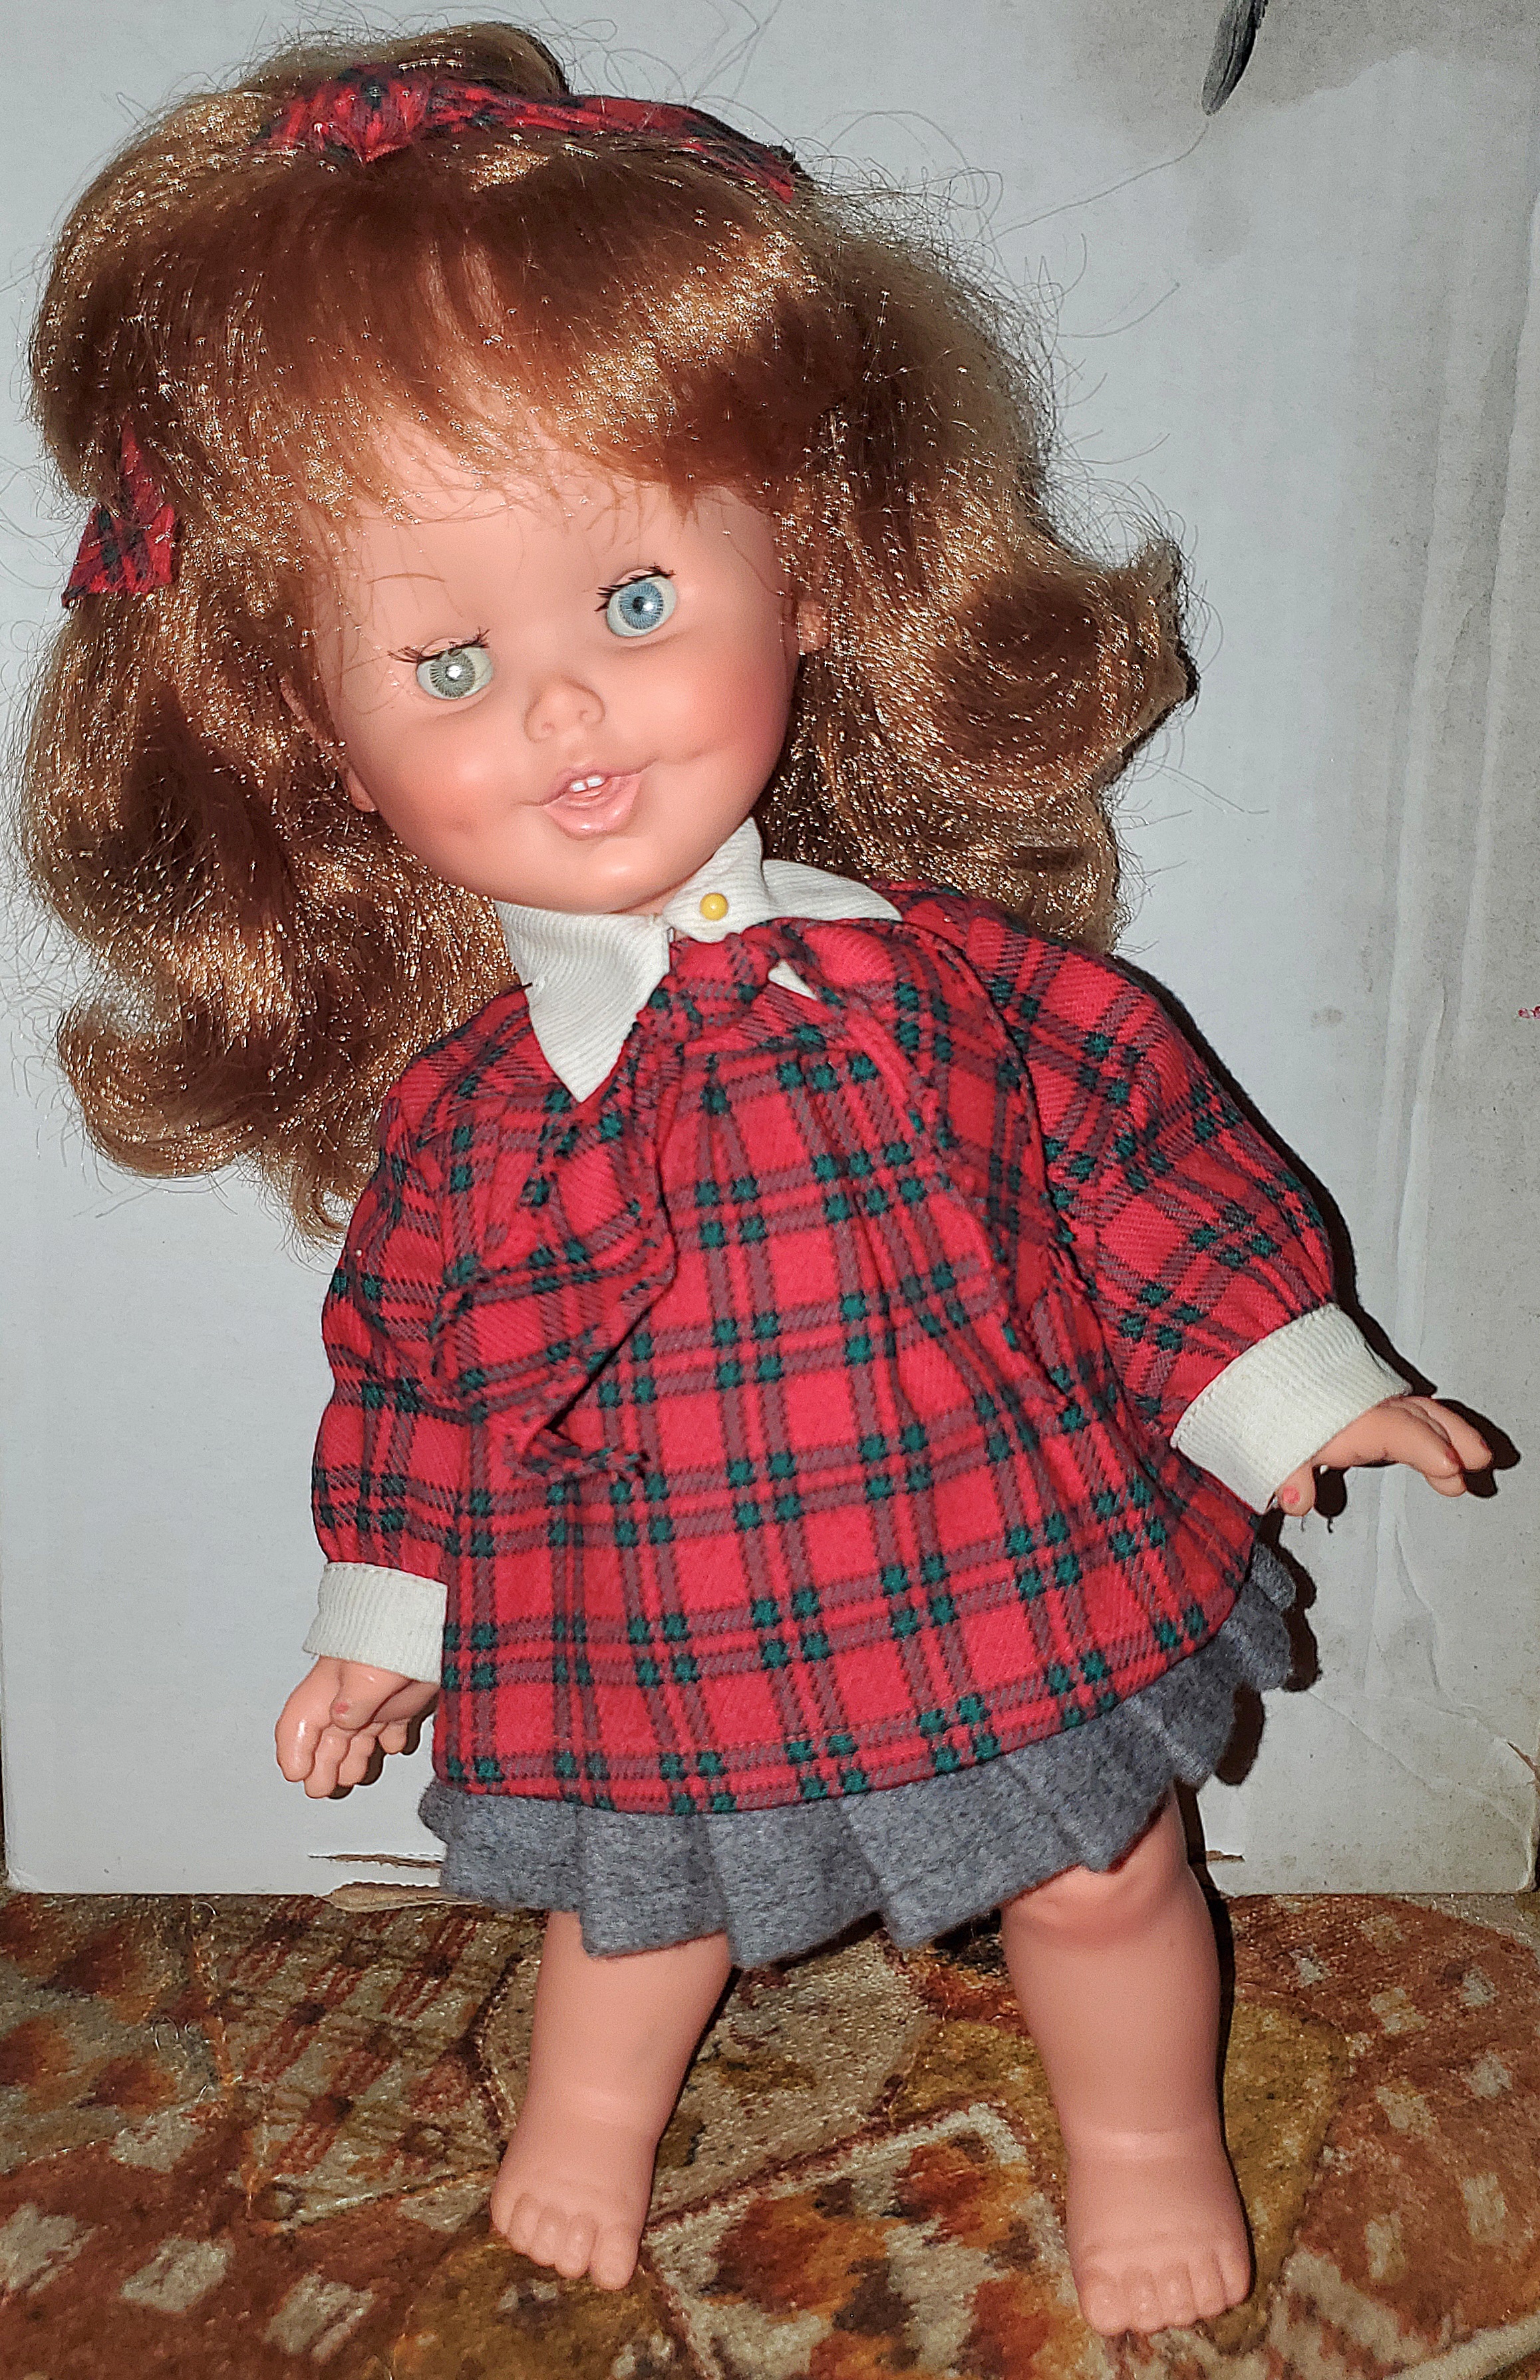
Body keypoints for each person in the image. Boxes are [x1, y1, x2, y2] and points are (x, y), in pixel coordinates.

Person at [21, 25, 1489, 2338]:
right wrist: (381, 1615)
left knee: (1105, 1873)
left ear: (801, 575)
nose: (560, 712)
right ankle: (585, 2121)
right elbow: (410, 1368)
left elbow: (1136, 1159)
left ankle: (1141, 2133)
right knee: (638, 1909)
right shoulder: (469, 1118)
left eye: (631, 605)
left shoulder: (946, 987)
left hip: (996, 1544)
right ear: (328, 745)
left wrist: (1294, 1385)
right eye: (446, 659)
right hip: (658, 1608)